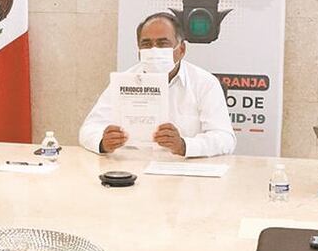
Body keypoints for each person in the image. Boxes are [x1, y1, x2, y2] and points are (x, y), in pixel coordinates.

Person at [78, 13, 234, 158]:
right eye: (146, 44)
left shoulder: (204, 83)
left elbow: (225, 138)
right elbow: (88, 130)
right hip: (134, 169)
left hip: (184, 171)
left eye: (163, 43)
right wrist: (103, 142)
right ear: (138, 50)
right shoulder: (124, 82)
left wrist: (184, 145)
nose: (154, 50)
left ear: (181, 49)